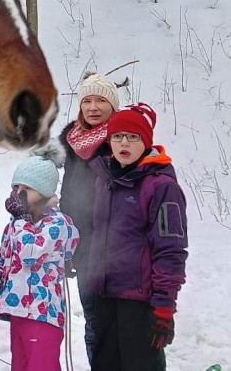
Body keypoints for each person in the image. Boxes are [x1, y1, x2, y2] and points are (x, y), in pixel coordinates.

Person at [86, 103, 187, 371]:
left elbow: (171, 249)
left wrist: (164, 304)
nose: (124, 144)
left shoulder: (161, 187)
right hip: (105, 297)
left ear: (146, 141)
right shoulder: (105, 180)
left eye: (133, 137)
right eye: (118, 136)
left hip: (140, 303)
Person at [0, 149, 79, 371]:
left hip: (42, 313)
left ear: (43, 192)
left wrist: (21, 220)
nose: (19, 193)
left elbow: (30, 253)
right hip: (19, 311)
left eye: (27, 189)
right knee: (21, 365)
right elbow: (6, 257)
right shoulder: (15, 224)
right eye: (16, 188)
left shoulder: (57, 224)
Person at [57, 71, 120, 361]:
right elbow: (67, 195)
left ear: (113, 106)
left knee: (121, 324)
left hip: (118, 250)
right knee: (94, 321)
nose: (93, 107)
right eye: (87, 101)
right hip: (83, 249)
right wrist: (66, 243)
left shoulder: (124, 141)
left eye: (101, 101)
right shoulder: (73, 143)